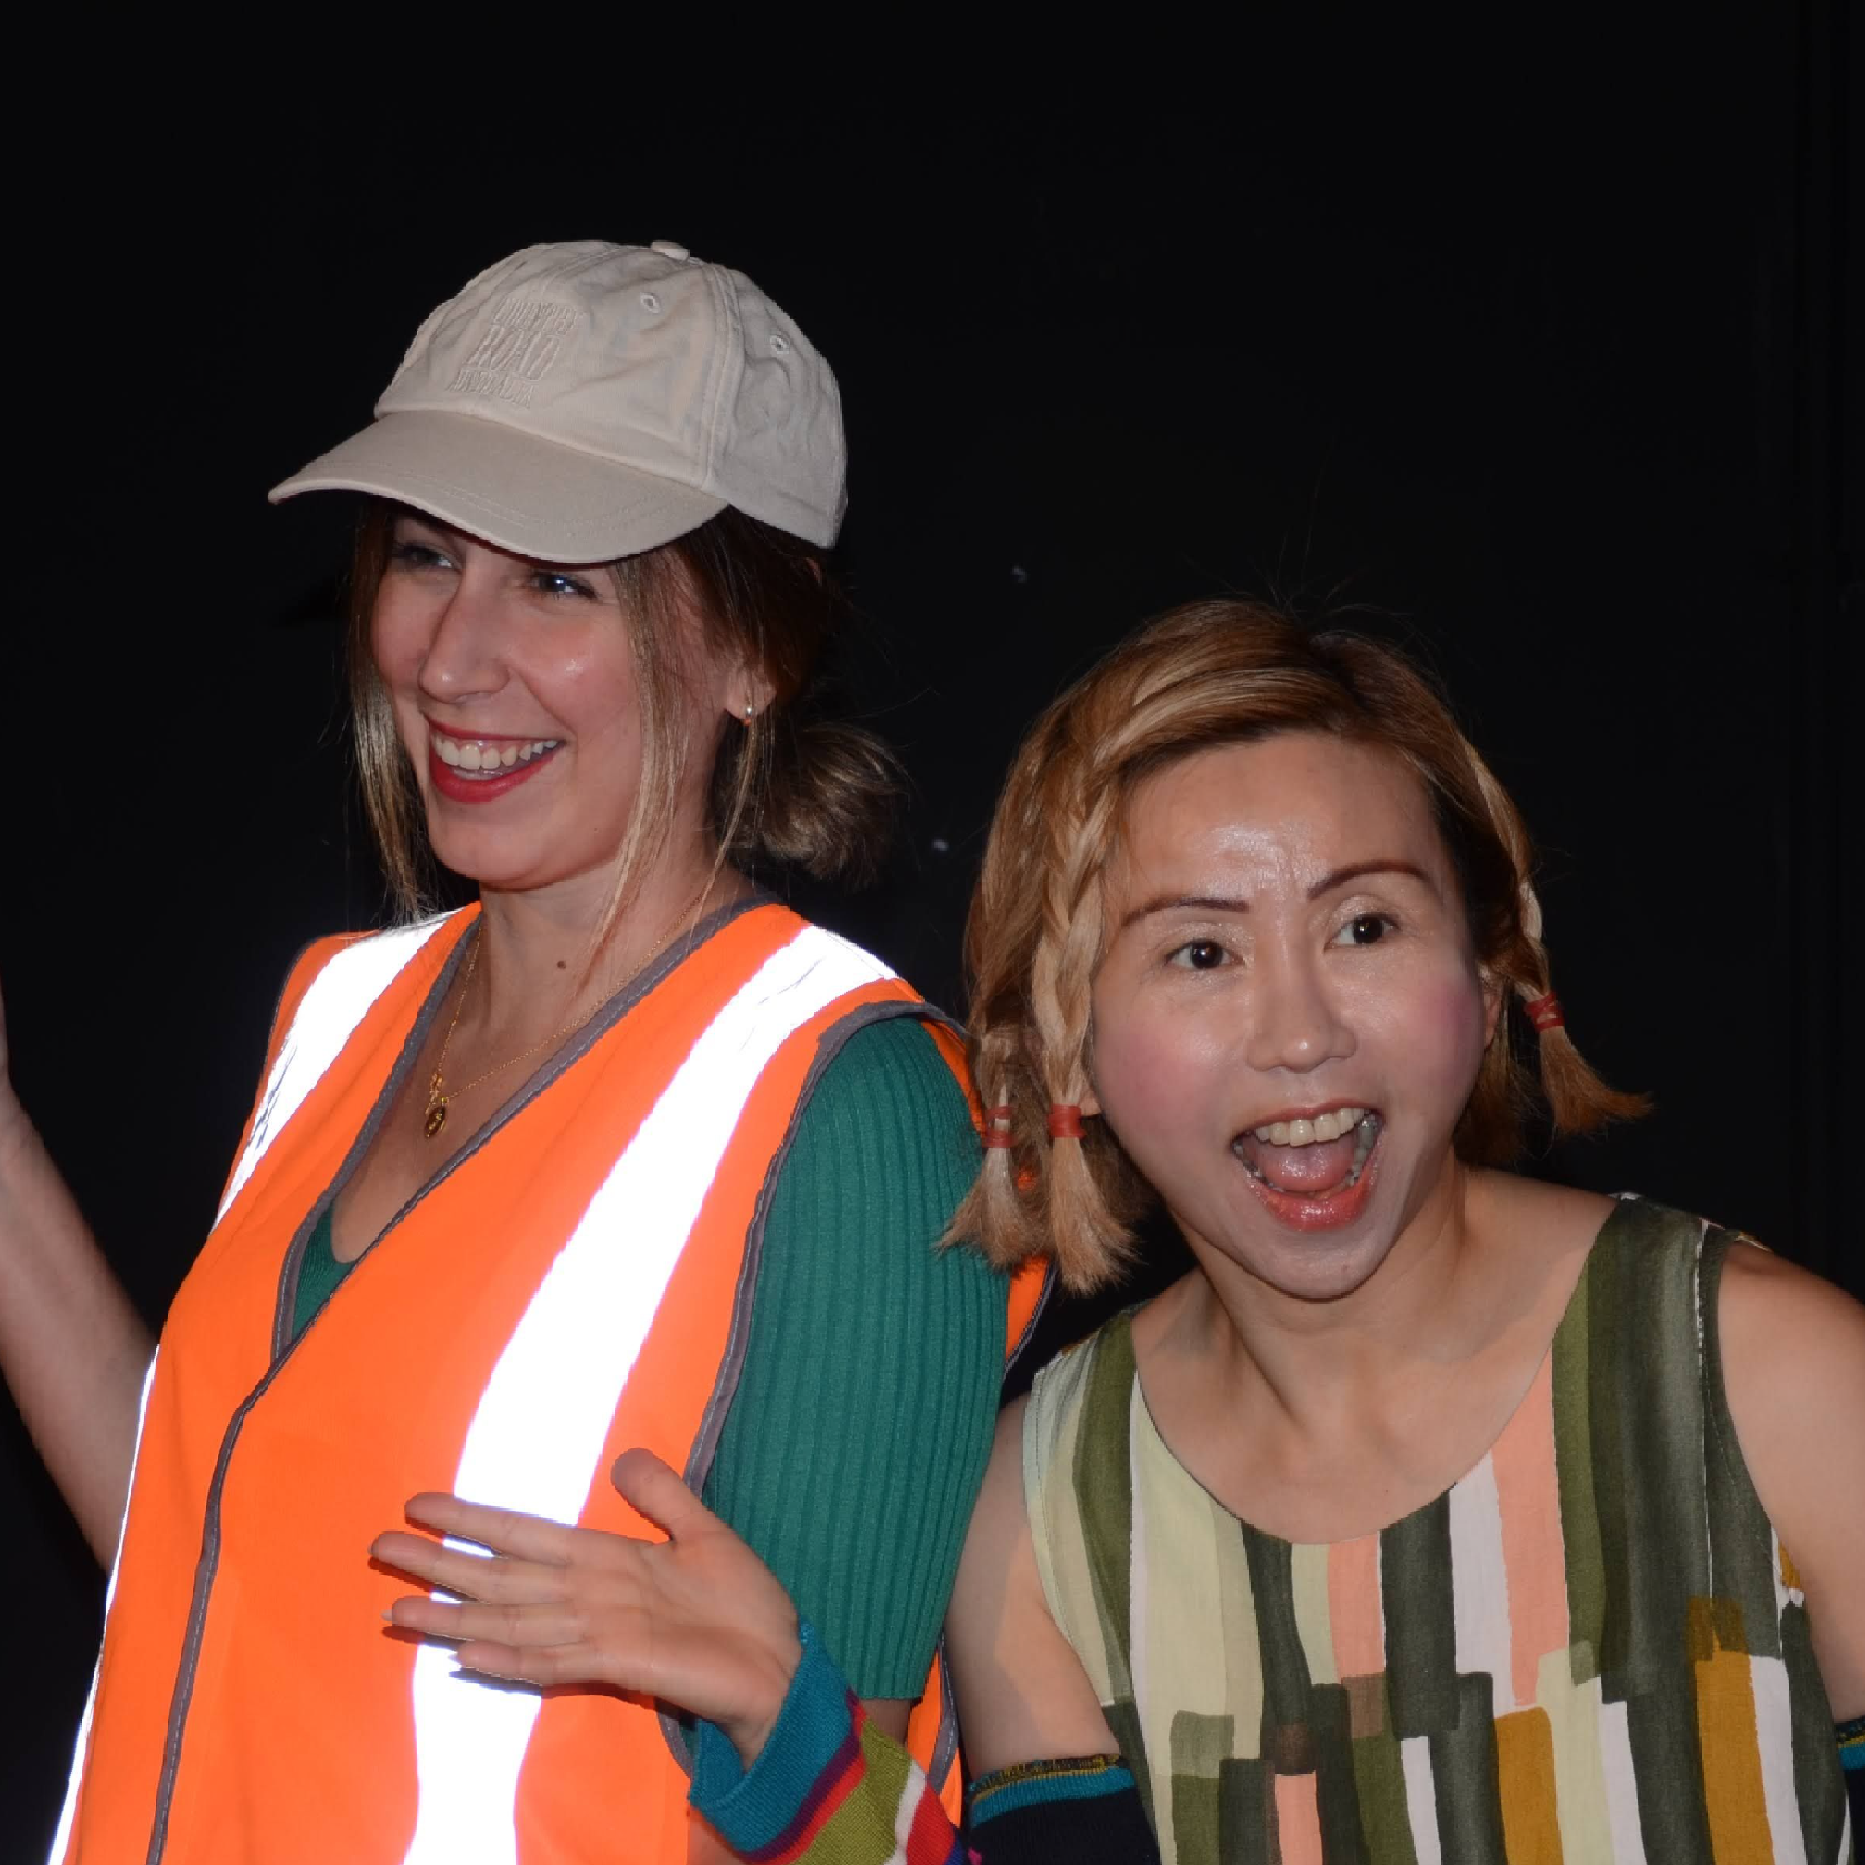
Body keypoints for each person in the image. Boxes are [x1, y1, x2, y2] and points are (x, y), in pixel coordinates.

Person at [371, 600, 1863, 1862]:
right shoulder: (1045, 1519)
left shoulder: (1774, 1385)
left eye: (1365, 927)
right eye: (1201, 952)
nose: (1296, 1032)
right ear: (1065, 1052)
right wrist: (793, 1732)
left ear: (1490, 968)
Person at [1, 240, 1042, 1865]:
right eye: (425, 555)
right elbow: (198, 1556)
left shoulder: (867, 1109)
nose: (449, 656)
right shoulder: (341, 1007)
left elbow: (826, 1808)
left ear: (757, 650)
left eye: (560, 580)